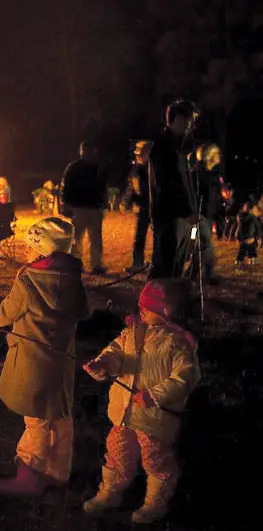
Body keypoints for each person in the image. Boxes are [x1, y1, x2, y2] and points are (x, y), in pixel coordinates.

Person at [0, 217, 90, 496]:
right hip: (61, 361)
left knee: (37, 420)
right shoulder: (72, 278)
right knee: (60, 415)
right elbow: (84, 312)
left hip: (33, 361)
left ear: (43, 249)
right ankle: (57, 471)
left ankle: (29, 477)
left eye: (30, 247)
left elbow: (1, 316)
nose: (25, 252)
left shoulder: (29, 281)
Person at [82, 280, 200, 524]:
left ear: (166, 312)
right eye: (141, 305)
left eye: (148, 306)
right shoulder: (131, 333)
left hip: (154, 419)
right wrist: (102, 364)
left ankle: (155, 502)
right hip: (124, 415)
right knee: (117, 454)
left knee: (155, 458)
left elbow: (185, 377)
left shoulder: (175, 343)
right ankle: (109, 493)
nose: (141, 309)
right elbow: (114, 353)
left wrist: (154, 395)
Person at [148, 100, 199, 279]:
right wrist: (186, 211)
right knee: (165, 263)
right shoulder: (163, 148)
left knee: (175, 261)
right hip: (169, 216)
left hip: (177, 216)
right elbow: (168, 185)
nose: (189, 126)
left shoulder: (175, 147)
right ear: (177, 119)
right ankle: (156, 300)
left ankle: (169, 299)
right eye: (188, 121)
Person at [61, 140, 108, 275]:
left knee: (84, 238)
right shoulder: (82, 167)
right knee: (82, 238)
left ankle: (88, 264)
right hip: (84, 207)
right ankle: (91, 264)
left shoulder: (77, 167)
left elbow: (66, 187)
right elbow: (67, 187)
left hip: (87, 207)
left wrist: (66, 203)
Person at [191, 143, 222, 283]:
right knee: (204, 244)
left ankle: (193, 272)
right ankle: (206, 275)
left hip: (205, 216)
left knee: (199, 244)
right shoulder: (199, 174)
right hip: (199, 216)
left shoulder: (211, 175)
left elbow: (214, 198)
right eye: (216, 154)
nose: (219, 157)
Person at [124, 141, 152, 273]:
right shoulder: (136, 170)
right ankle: (137, 263)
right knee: (139, 237)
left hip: (154, 207)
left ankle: (159, 264)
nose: (139, 156)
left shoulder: (154, 169)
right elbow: (132, 187)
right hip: (144, 207)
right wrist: (128, 201)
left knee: (159, 237)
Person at [236, 202, 262, 266]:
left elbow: (257, 226)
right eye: (245, 207)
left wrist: (259, 236)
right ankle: (240, 260)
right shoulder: (241, 215)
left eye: (247, 207)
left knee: (251, 249)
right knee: (243, 249)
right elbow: (242, 222)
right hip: (244, 236)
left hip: (251, 236)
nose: (246, 208)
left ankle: (252, 259)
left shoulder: (253, 217)